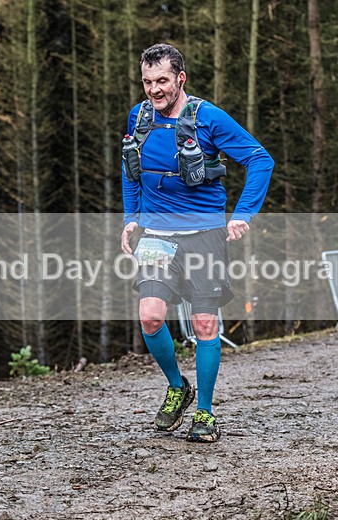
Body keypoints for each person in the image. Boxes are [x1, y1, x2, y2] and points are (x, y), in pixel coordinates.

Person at [120, 43, 274, 443]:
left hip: (205, 234)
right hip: (156, 234)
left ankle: (204, 412)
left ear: (180, 79)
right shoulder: (139, 117)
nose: (154, 90)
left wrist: (243, 213)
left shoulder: (208, 118)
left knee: (204, 323)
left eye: (162, 81)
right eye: (147, 82)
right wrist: (131, 218)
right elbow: (130, 169)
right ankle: (177, 386)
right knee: (150, 315)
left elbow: (260, 159)